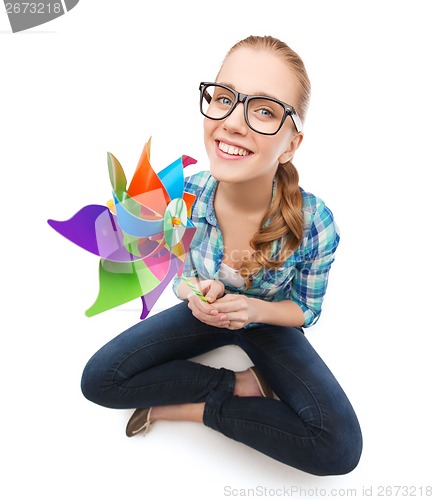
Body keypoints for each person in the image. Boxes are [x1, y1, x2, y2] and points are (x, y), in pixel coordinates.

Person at [81, 35, 362, 476]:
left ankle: (189, 411)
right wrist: (195, 291)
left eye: (265, 110)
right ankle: (242, 384)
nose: (233, 122)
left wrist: (251, 308)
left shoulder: (314, 222)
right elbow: (175, 273)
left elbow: (305, 310)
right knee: (99, 380)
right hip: (204, 313)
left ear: (290, 145)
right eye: (225, 98)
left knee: (339, 448)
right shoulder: (182, 193)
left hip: (265, 322)